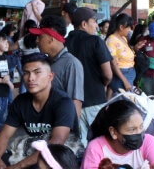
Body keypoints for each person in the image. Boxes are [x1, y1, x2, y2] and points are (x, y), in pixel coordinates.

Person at [0, 54, 76, 169]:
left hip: (59, 155)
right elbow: (5, 135)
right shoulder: (21, 101)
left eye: (37, 72)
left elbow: (57, 142)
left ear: (50, 76)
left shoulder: (63, 102)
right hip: (29, 151)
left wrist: (20, 165)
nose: (30, 78)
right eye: (26, 73)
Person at [65, 8, 113, 145]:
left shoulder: (64, 43)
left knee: (80, 145)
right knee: (102, 142)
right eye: (95, 21)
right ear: (84, 24)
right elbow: (108, 74)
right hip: (96, 98)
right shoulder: (96, 41)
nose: (97, 25)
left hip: (72, 103)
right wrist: (103, 85)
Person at [28, 15, 84, 119]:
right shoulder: (45, 62)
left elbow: (75, 103)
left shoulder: (71, 63)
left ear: (51, 39)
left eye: (40, 37)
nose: (37, 41)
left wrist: (69, 132)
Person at [105, 13, 141, 95]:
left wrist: (135, 48)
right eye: (128, 27)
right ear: (121, 27)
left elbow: (124, 53)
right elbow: (113, 64)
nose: (130, 30)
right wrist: (124, 81)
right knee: (121, 102)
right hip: (121, 75)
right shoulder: (111, 40)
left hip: (129, 73)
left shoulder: (123, 38)